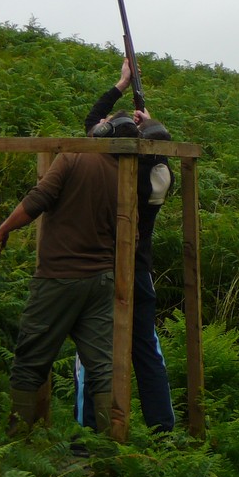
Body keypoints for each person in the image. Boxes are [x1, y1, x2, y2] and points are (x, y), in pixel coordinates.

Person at [0, 111, 139, 437]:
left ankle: (16, 446)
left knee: (29, 362)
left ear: (105, 131)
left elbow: (38, 200)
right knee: (102, 369)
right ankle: (111, 450)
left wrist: (3, 229)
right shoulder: (127, 175)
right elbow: (132, 234)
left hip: (58, 276)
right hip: (101, 281)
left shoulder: (73, 156)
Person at [75, 58, 176, 433]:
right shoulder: (160, 174)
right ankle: (162, 431)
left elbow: (91, 124)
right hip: (140, 270)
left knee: (91, 352)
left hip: (100, 268)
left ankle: (87, 434)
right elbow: (158, 145)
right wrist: (149, 122)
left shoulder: (103, 169)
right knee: (147, 350)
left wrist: (121, 84)